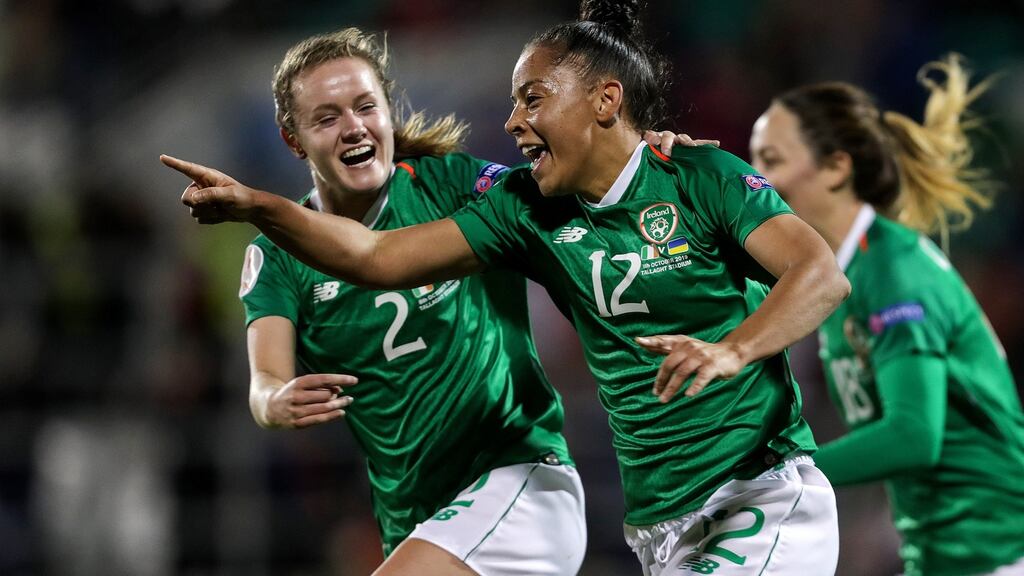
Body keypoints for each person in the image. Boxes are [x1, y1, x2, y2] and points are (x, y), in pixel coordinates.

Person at [164, 1, 851, 573]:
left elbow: (820, 273)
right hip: (653, 526)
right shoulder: (528, 210)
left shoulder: (696, 177)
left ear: (605, 100)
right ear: (293, 138)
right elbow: (374, 257)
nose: (513, 122)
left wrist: (732, 349)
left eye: (532, 99)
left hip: (743, 493)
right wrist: (262, 208)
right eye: (512, 102)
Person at [207, 28, 595, 576]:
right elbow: (264, 379)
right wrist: (275, 401)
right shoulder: (277, 257)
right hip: (414, 522)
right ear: (293, 140)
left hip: (518, 482)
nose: (353, 128)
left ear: (389, 112)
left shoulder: (458, 187)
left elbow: (585, 199)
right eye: (327, 117)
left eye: (366, 106)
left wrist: (652, 158)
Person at [748, 54, 1024, 576]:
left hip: (997, 548)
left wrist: (781, 478)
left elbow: (914, 434)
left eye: (772, 160)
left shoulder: (893, 272)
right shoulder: (836, 274)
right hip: (945, 549)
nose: (755, 181)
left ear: (836, 166)